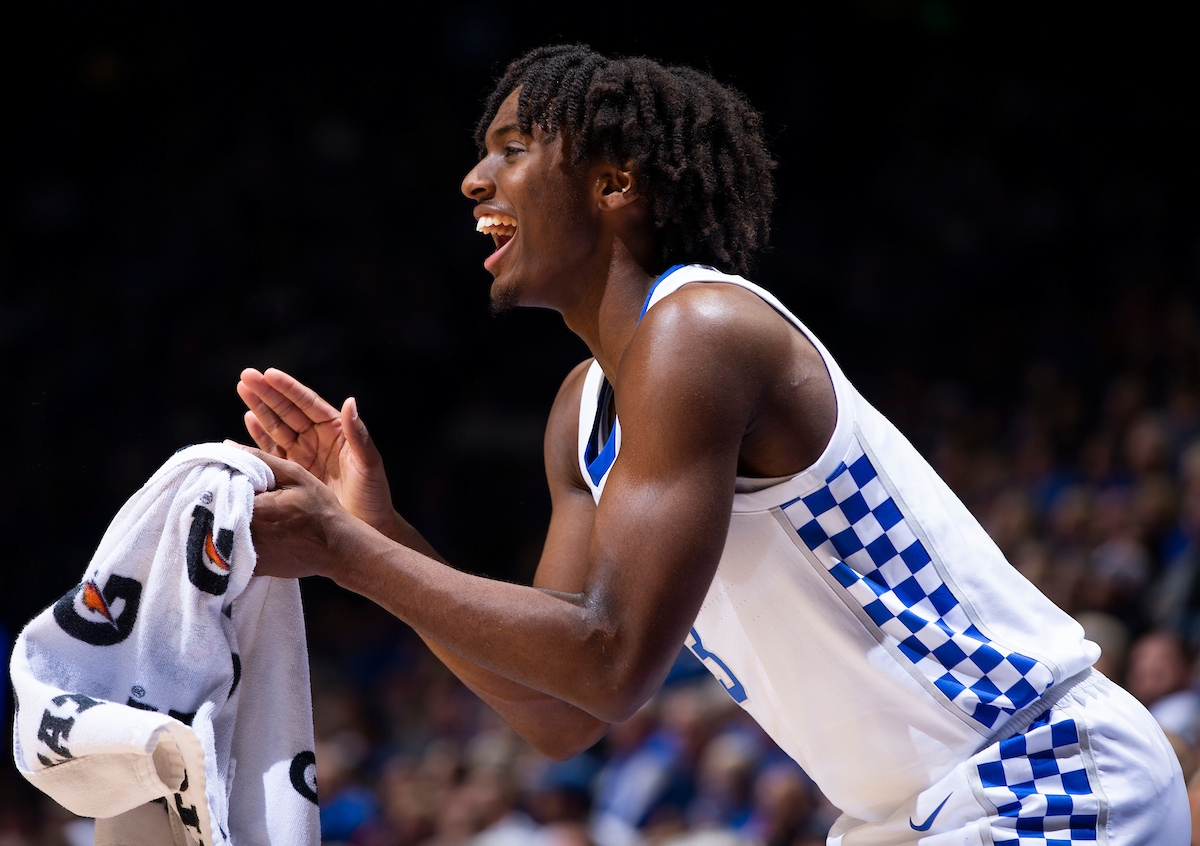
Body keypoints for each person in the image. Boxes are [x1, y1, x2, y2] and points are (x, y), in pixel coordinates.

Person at [236, 45, 1189, 844]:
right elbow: (563, 711)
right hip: (904, 811)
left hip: (1035, 768)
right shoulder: (583, 411)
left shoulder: (701, 331)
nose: (474, 179)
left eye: (513, 148)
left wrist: (348, 554)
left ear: (615, 183)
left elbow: (610, 660)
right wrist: (380, 528)